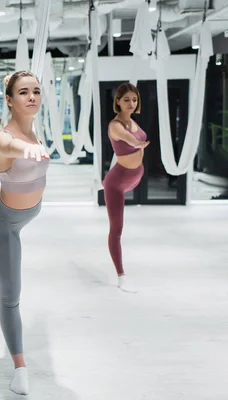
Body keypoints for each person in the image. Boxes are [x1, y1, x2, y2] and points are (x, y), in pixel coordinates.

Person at [0, 71, 50, 395]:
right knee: (11, 298)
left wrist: (33, 147)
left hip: (27, 215)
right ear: (9, 100)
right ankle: (20, 370)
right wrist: (26, 151)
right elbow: (8, 146)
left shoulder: (34, 131)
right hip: (5, 222)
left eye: (36, 91)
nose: (32, 97)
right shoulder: (5, 137)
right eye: (23, 92)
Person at [103, 83, 149, 293]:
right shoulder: (115, 125)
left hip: (135, 175)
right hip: (117, 182)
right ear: (118, 102)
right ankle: (121, 275)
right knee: (117, 229)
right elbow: (128, 138)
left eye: (134, 100)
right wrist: (137, 144)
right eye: (127, 100)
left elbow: (135, 135)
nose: (131, 104)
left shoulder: (133, 121)